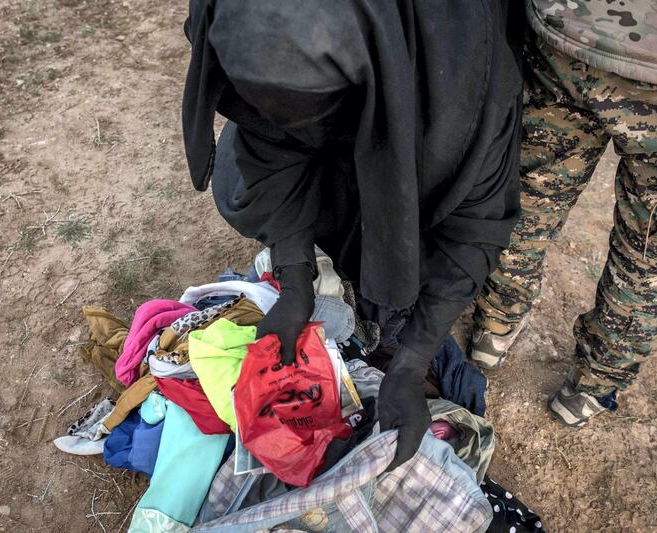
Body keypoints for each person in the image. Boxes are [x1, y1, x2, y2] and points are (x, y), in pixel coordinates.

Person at [181, 0, 524, 468]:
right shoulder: (253, 34)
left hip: (422, 97)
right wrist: (295, 280)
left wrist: (413, 360)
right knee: (244, 181)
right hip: (365, 80)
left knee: (412, 227)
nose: (289, 126)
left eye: (314, 110)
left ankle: (394, 313)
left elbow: (474, 229)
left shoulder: (460, 78)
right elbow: (271, 150)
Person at [470, 1, 657, 428]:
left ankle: (494, 325)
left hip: (572, 33)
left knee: (531, 197)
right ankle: (591, 387)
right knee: (656, 254)